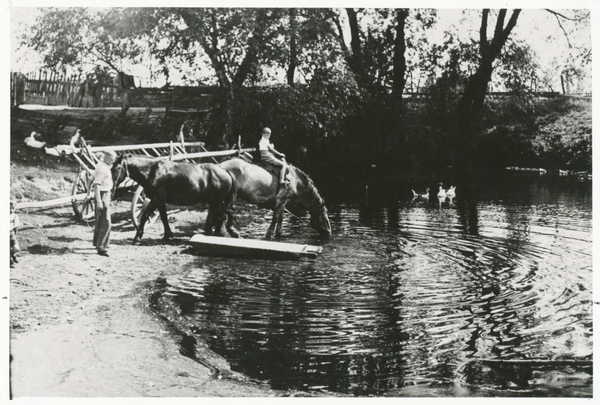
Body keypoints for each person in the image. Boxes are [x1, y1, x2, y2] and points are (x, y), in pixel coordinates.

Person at [86, 150, 116, 256]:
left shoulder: (100, 165)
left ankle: (99, 243)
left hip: (104, 194)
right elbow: (96, 184)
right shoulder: (103, 169)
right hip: (103, 195)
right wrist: (98, 201)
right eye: (112, 158)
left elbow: (90, 179)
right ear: (107, 157)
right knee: (106, 221)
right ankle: (101, 248)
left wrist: (88, 193)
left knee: (100, 220)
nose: (113, 160)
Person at [10, 201, 21, 268]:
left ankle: (13, 254)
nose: (11, 210)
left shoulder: (14, 216)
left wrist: (14, 234)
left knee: (16, 248)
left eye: (12, 208)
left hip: (11, 233)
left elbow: (16, 227)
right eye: (9, 208)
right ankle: (10, 262)